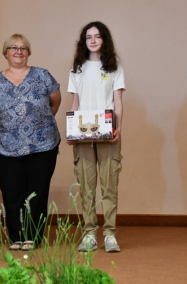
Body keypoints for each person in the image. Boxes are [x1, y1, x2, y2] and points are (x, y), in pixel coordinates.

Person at [0, 33, 61, 251]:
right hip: (7, 145)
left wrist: (39, 122)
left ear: (28, 52)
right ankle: (16, 236)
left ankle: (34, 236)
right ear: (5, 53)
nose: (18, 51)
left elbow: (54, 103)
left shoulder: (42, 75)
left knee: (36, 192)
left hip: (43, 144)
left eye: (23, 48)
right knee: (12, 193)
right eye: (13, 47)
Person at [67, 21, 125, 252]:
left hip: (108, 133)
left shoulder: (114, 68)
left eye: (97, 36)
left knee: (109, 185)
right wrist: (71, 129)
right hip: (83, 135)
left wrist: (118, 128)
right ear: (84, 41)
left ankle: (110, 233)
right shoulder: (77, 69)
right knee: (86, 186)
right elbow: (75, 102)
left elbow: (118, 102)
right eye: (88, 37)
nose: (92, 40)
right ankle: (89, 233)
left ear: (104, 40)